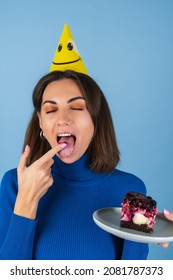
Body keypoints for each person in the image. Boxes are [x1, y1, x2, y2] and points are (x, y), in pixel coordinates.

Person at [0, 70, 171, 260]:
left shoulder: (129, 190)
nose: (63, 119)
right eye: (51, 110)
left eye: (77, 107)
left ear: (96, 118)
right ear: (40, 121)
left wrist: (144, 227)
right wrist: (26, 199)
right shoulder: (14, 184)